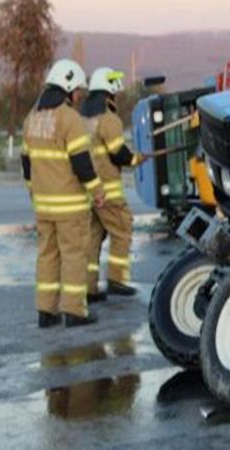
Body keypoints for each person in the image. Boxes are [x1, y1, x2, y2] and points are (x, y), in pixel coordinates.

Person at [21, 59, 105, 328]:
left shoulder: (31, 118)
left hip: (43, 206)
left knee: (47, 255)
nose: (79, 95)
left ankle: (45, 312)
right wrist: (98, 190)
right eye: (78, 90)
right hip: (70, 208)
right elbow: (82, 163)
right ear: (68, 87)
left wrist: (33, 191)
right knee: (73, 255)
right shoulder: (70, 118)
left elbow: (26, 162)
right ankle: (74, 311)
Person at [80, 67, 146, 302]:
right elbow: (118, 152)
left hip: (88, 190)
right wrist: (136, 159)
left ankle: (88, 288)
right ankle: (117, 279)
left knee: (93, 237)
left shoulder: (83, 119)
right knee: (123, 228)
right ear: (109, 89)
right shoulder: (109, 119)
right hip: (108, 191)